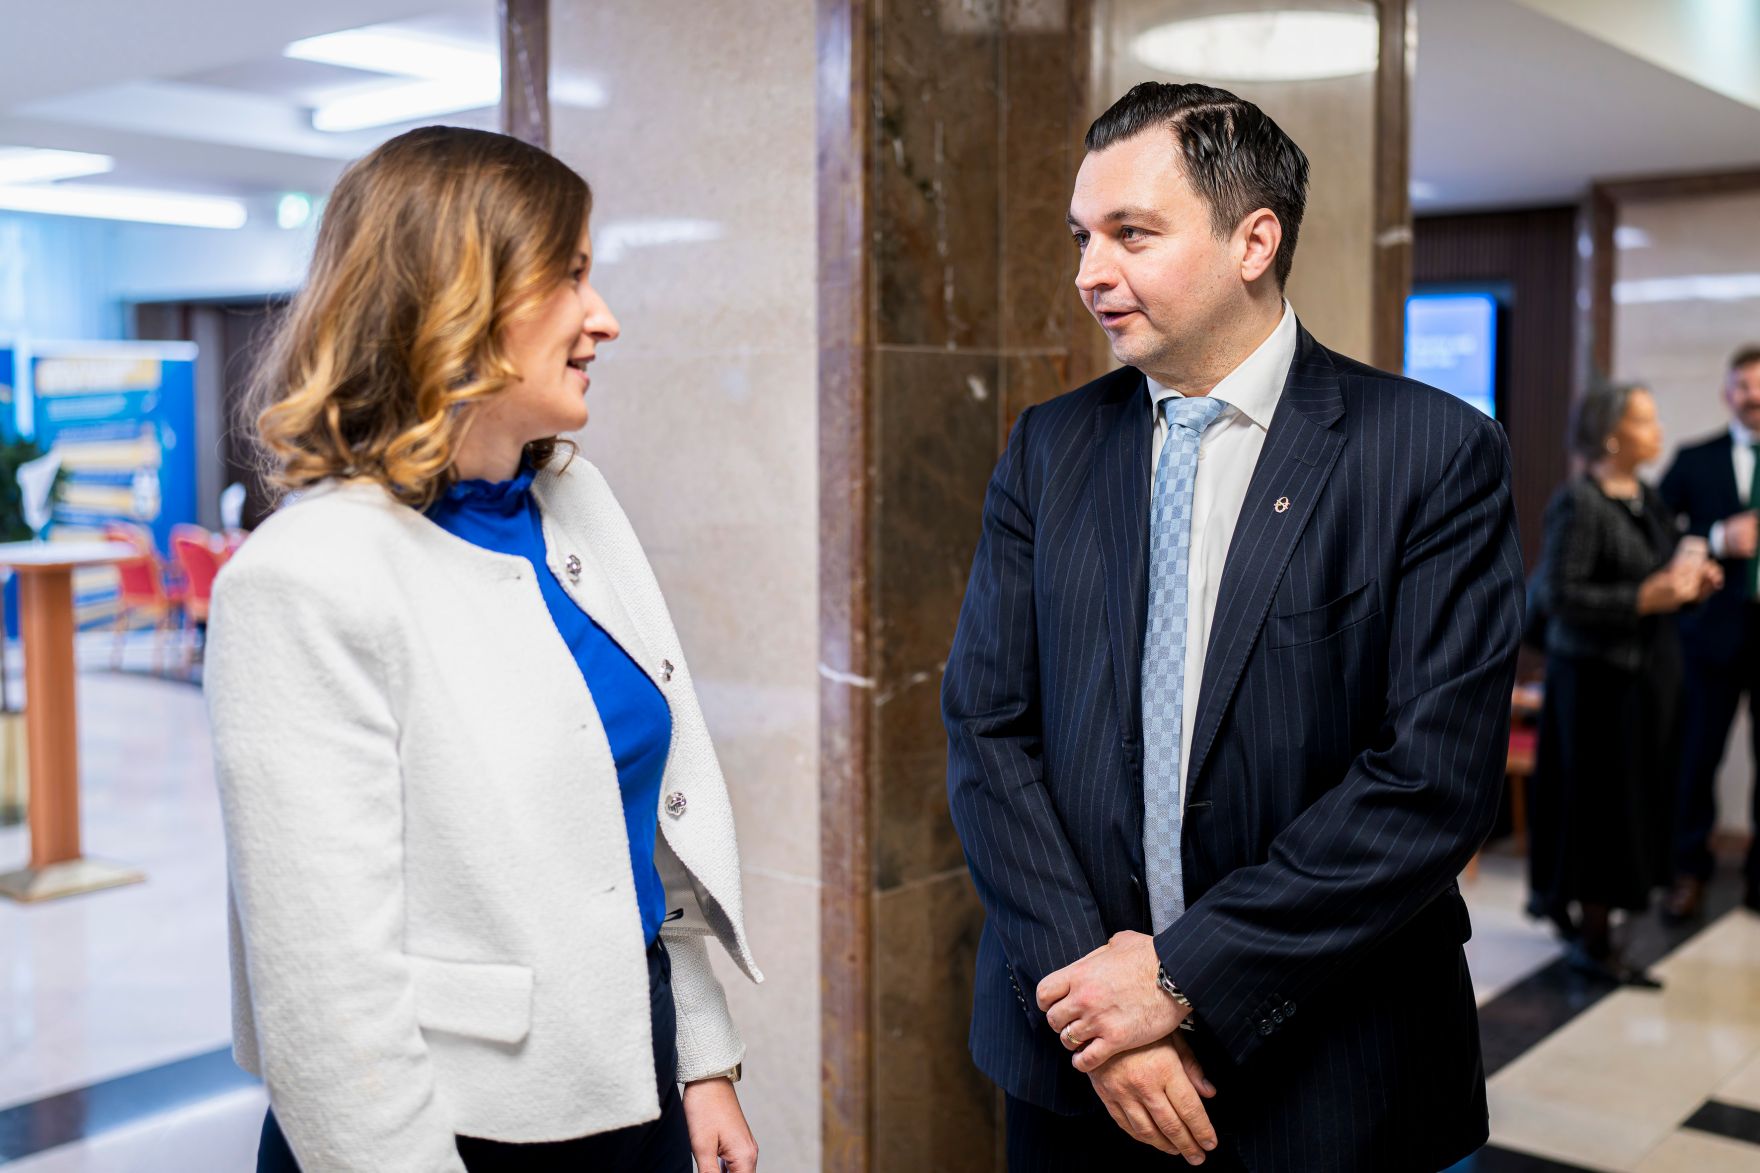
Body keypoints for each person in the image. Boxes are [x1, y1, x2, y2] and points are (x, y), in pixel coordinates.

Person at [942, 82, 1524, 1172]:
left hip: (1328, 1062)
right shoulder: (1047, 449)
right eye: (1080, 236)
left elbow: (1425, 784)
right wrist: (1101, 1009)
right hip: (1076, 1065)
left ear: (1252, 238)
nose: (1086, 273)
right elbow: (987, 729)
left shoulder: (1428, 454)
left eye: (1131, 234)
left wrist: (1177, 978)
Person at [205, 126, 761, 1173]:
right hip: (443, 1124)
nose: (604, 319)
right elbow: (327, 1002)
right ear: (458, 299)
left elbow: (633, 838)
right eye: (572, 278)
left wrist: (700, 1060)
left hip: (629, 1076)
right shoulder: (305, 579)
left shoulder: (573, 499)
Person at [1529, 384, 1719, 985]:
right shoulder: (1579, 503)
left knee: (1633, 809)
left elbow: (1660, 582)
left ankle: (1591, 918)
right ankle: (1592, 938)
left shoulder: (1647, 498)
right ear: (1611, 435)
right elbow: (1558, 596)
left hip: (1643, 681)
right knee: (1600, 814)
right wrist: (1643, 597)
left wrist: (1692, 586)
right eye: (1645, 420)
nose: (1658, 429)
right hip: (1594, 687)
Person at [1657, 345, 1760, 921]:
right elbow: (1655, 534)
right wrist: (1718, 537)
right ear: (1728, 393)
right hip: (1709, 636)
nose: (1756, 396)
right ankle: (1687, 873)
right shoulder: (1695, 459)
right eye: (1745, 385)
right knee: (1697, 759)